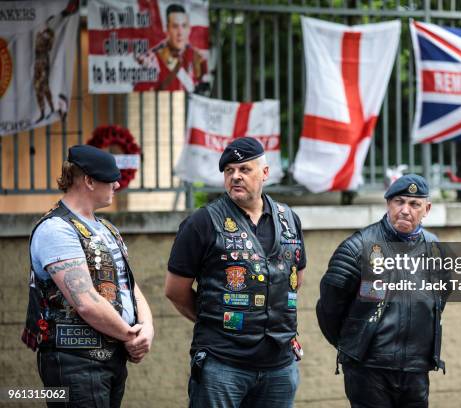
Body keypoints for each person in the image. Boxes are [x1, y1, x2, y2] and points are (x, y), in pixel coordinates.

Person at [165, 137, 306, 407]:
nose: (236, 177)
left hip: (279, 365)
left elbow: (295, 278)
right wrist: (217, 320)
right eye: (229, 171)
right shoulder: (203, 222)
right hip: (223, 364)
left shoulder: (288, 218)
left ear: (265, 173)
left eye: (244, 169)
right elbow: (175, 291)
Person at [21, 145, 154, 407]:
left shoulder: (106, 227)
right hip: (74, 361)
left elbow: (129, 285)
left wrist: (146, 329)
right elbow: (85, 301)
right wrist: (130, 337)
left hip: (111, 357)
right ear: (89, 181)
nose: (117, 184)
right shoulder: (56, 229)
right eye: (110, 178)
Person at [317, 174, 450, 408]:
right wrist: (353, 346)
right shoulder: (357, 247)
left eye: (414, 204)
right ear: (388, 203)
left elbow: (439, 299)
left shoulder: (436, 250)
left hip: (415, 370)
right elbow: (329, 307)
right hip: (368, 369)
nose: (406, 210)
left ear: (426, 209)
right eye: (399, 202)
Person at [135, 4, 207, 92]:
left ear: (189, 29)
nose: (180, 33)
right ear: (167, 29)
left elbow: (204, 90)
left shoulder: (197, 57)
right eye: (175, 26)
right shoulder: (153, 58)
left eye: (184, 26)